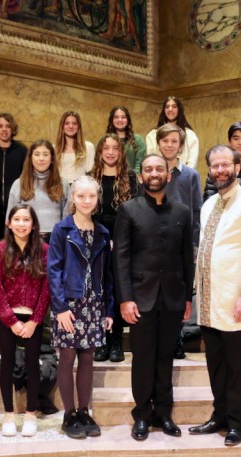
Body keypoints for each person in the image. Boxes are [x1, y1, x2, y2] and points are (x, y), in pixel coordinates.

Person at [189, 145, 241, 447]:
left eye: (226, 165)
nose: (220, 170)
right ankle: (219, 415)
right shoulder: (209, 203)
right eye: (215, 166)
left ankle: (237, 423)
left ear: (237, 166)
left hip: (236, 299)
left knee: (235, 365)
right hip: (210, 299)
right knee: (216, 363)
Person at [113, 154, 194, 442]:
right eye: (148, 169)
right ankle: (142, 416)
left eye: (159, 168)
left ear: (168, 175)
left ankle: (164, 414)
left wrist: (187, 297)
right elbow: (120, 257)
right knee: (143, 359)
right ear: (141, 177)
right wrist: (125, 298)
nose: (154, 173)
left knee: (165, 359)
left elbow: (187, 258)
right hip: (140, 298)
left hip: (172, 297)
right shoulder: (128, 210)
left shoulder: (183, 212)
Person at [47, 176, 114, 439]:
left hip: (94, 304)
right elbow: (53, 271)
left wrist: (108, 309)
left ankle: (84, 411)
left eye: (92, 197)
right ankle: (69, 414)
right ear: (72, 198)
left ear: (97, 200)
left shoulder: (103, 232)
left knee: (88, 358)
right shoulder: (61, 230)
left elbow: (107, 275)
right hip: (69, 305)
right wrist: (60, 307)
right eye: (81, 196)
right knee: (67, 357)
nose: (87, 201)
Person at [0, 204, 50, 437]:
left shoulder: (43, 250)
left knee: (33, 364)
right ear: (9, 223)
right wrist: (11, 319)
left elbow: (47, 288)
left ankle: (31, 414)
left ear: (33, 224)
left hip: (33, 317)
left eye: (26, 220)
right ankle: (8, 414)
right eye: (17, 219)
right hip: (8, 317)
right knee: (7, 363)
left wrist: (35, 320)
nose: (22, 224)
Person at [156, 123, 202, 359]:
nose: (169, 145)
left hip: (182, 244)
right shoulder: (153, 172)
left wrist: (194, 244)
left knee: (178, 293)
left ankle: (176, 338)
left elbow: (196, 210)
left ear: (181, 146)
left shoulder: (190, 175)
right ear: (159, 143)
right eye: (165, 141)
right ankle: (160, 339)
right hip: (155, 244)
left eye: (174, 141)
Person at [90, 134, 138, 363]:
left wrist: (119, 240)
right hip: (96, 240)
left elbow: (135, 213)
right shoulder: (91, 178)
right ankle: (101, 340)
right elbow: (85, 211)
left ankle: (116, 339)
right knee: (99, 291)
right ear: (99, 152)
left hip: (123, 241)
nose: (110, 152)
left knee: (118, 290)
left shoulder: (131, 178)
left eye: (114, 148)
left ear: (121, 151)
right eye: (105, 148)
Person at [6, 139, 69, 241]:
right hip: (26, 238)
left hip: (55, 238)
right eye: (37, 154)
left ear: (52, 159)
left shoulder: (63, 184)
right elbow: (10, 218)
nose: (41, 158)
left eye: (45, 154)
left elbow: (67, 217)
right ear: (30, 158)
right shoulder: (18, 184)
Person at [0, 112, 28, 241]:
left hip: (15, 207)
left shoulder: (22, 151)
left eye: (7, 126)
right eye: (0, 126)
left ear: (12, 129)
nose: (4, 129)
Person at [145, 97, 199, 169]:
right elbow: (151, 159)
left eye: (174, 106)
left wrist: (184, 176)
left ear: (179, 110)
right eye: (167, 107)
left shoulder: (190, 135)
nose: (170, 109)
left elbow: (192, 161)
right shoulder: (152, 135)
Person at [55, 111, 95, 181]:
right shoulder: (53, 148)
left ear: (78, 127)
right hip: (59, 188)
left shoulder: (88, 147)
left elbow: (91, 173)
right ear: (62, 127)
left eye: (74, 123)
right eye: (67, 123)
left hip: (81, 189)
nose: (71, 126)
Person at [106, 106, 146, 174]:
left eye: (123, 117)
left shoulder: (138, 140)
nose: (120, 120)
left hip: (133, 181)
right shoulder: (105, 140)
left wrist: (131, 180)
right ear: (111, 120)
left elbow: (140, 166)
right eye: (116, 117)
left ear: (128, 120)